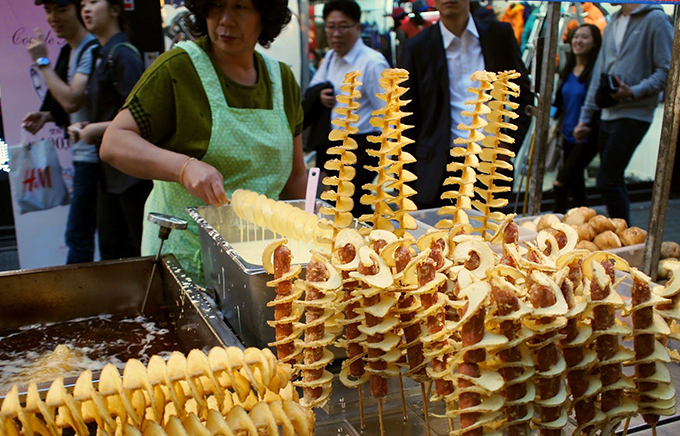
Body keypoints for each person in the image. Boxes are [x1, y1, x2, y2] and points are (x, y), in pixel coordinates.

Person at [100, 0, 306, 283]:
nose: (225, 20)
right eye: (216, 6)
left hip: (258, 262)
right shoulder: (177, 69)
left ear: (265, 15)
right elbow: (114, 142)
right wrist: (183, 167)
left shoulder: (282, 79)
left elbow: (295, 178)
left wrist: (309, 235)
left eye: (240, 7)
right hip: (187, 259)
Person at [400, 0, 534, 210]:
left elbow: (523, 93)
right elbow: (406, 115)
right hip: (437, 167)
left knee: (491, 238)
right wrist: (403, 180)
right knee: (438, 238)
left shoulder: (498, 35)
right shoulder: (417, 47)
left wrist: (509, 143)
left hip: (490, 163)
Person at [574, 3, 672, 224]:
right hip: (608, 111)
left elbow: (667, 70)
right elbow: (600, 72)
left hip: (635, 112)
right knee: (612, 179)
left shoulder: (656, 19)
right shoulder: (613, 21)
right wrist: (585, 117)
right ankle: (624, 235)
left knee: (607, 180)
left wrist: (633, 91)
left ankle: (623, 235)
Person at [68, 0, 151, 261]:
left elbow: (142, 115)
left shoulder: (123, 53)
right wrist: (88, 126)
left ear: (115, 9)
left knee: (135, 249)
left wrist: (95, 129)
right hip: (109, 171)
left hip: (129, 173)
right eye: (83, 4)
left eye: (94, 2)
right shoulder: (100, 52)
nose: (86, 10)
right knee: (111, 249)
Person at [22, 0, 99, 264]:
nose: (53, 17)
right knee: (84, 234)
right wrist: (45, 116)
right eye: (48, 10)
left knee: (79, 235)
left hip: (95, 157)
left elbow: (71, 100)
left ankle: (79, 301)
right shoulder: (71, 50)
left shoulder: (90, 48)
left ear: (80, 10)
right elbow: (67, 104)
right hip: (86, 156)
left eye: (61, 9)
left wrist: (42, 62)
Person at [304, 0, 389, 218]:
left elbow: (387, 112)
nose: (336, 34)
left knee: (354, 208)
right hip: (334, 144)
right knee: (332, 204)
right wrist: (321, 96)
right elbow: (315, 86)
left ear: (358, 28)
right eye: (331, 27)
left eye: (343, 26)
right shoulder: (331, 57)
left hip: (361, 147)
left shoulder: (372, 63)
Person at [552, 23, 602, 214]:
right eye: (575, 36)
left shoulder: (595, 73)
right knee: (576, 187)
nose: (578, 41)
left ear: (594, 43)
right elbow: (560, 103)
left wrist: (590, 126)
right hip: (567, 136)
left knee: (560, 183)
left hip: (586, 138)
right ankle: (587, 226)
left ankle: (555, 230)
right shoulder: (568, 69)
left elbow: (598, 106)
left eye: (584, 37)